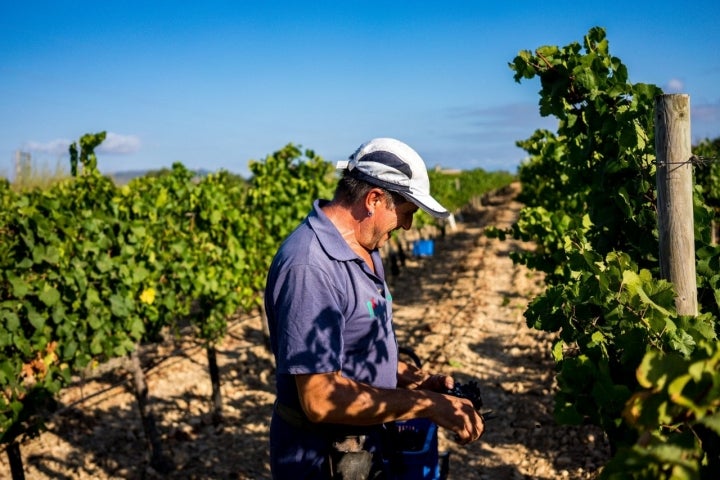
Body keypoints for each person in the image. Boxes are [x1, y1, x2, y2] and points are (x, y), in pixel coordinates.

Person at [265, 137, 485, 479]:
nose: (408, 226)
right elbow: (320, 398)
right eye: (407, 213)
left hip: (360, 445)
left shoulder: (363, 249)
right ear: (374, 200)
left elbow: (355, 345)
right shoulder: (310, 266)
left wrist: (415, 379)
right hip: (321, 458)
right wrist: (429, 405)